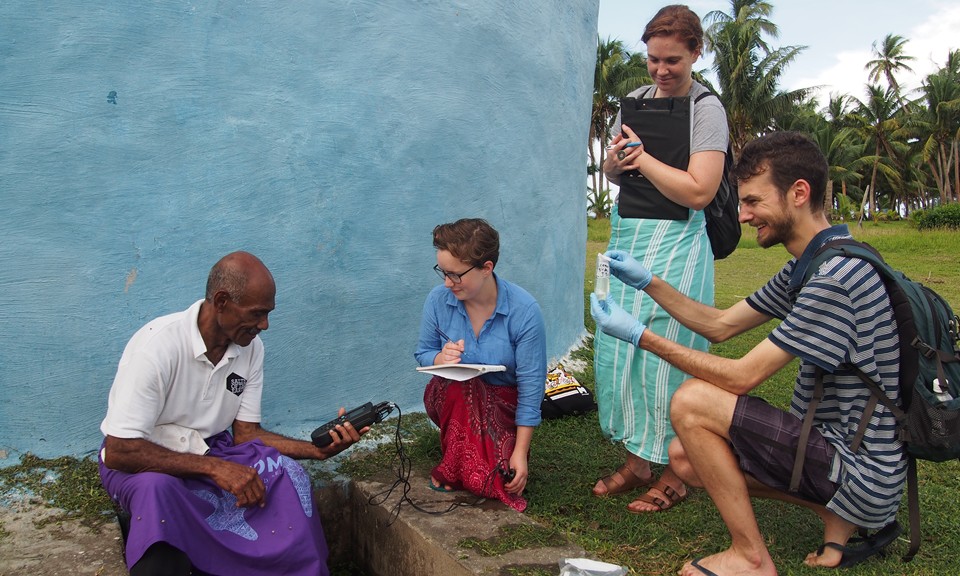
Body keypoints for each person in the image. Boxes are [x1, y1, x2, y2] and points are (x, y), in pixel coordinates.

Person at [591, 131, 907, 575]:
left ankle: (750, 557)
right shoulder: (813, 263)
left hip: (862, 471)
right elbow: (720, 325)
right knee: (684, 459)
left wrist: (640, 335)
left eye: (754, 201)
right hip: (846, 457)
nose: (742, 215)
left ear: (799, 193)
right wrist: (648, 282)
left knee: (692, 401)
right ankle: (835, 513)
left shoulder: (836, 278)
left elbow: (741, 377)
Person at [99, 251, 368, 576]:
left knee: (288, 474)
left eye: (267, 314)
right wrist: (215, 468)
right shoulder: (157, 347)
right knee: (158, 491)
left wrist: (316, 450)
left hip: (212, 449)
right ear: (222, 301)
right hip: (146, 460)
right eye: (257, 314)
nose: (264, 325)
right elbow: (119, 451)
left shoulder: (250, 348)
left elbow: (246, 434)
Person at [593, 4, 728, 513]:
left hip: (678, 240)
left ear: (696, 53)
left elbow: (699, 190)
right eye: (653, 59)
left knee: (669, 349)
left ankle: (676, 469)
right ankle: (638, 460)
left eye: (673, 60)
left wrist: (642, 158)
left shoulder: (706, 109)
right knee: (622, 348)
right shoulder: (636, 102)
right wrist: (615, 162)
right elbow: (615, 174)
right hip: (630, 233)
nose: (661, 70)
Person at [414, 218, 547, 512]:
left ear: (486, 268)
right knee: (461, 389)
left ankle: (468, 462)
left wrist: (521, 452)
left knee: (503, 474)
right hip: (451, 398)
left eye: (455, 275)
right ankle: (453, 468)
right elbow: (423, 352)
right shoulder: (438, 301)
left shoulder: (524, 312)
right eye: (443, 272)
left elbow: (531, 387)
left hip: (504, 405)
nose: (447, 283)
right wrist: (440, 359)